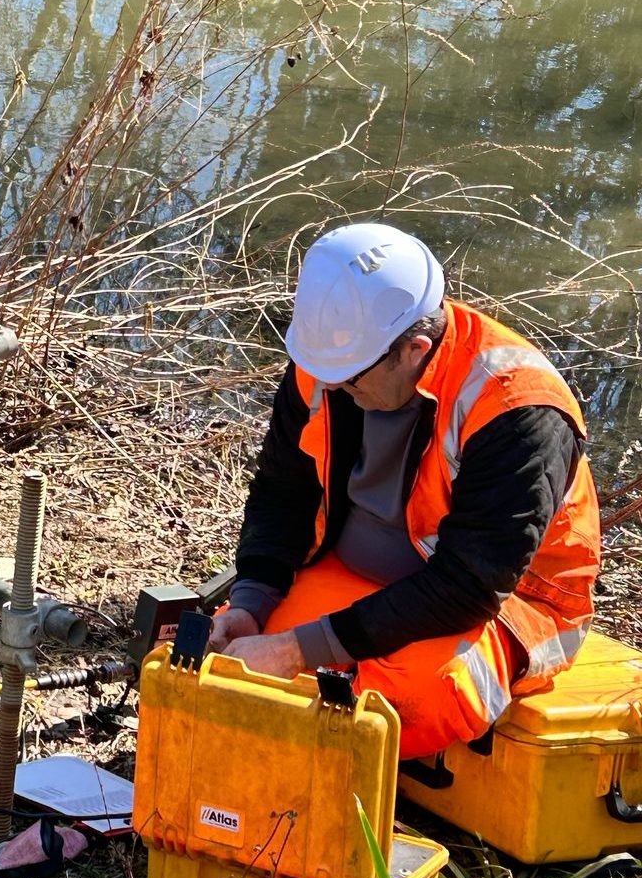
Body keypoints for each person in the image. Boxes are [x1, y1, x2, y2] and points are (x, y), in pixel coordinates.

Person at [210, 222, 601, 760]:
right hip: (359, 580)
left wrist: (299, 648)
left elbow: (469, 585)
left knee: (410, 701)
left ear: (413, 349)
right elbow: (283, 491)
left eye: (352, 381)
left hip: (498, 607)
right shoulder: (334, 363)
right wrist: (253, 602)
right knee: (230, 658)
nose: (337, 391)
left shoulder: (518, 409)